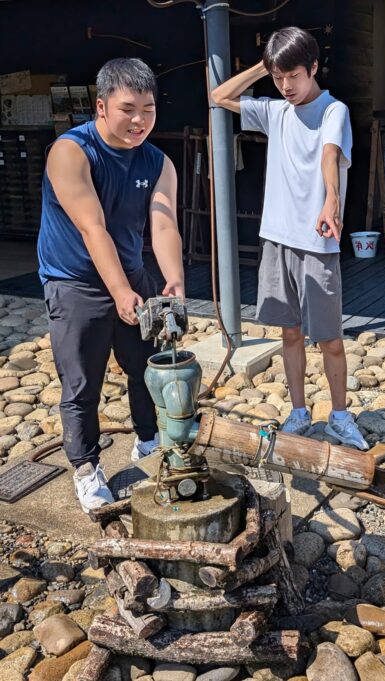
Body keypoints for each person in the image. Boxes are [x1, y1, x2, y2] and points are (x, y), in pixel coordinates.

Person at [38, 58, 184, 513]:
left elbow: (162, 225)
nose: (140, 120)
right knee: (82, 382)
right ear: (100, 106)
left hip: (129, 271)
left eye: (149, 108)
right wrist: (120, 292)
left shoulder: (158, 162)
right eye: (127, 109)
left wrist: (173, 280)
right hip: (75, 280)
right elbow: (92, 228)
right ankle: (86, 467)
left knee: (148, 367)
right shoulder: (71, 151)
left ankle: (147, 439)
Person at [211, 27, 368, 450]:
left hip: (318, 242)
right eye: (279, 77)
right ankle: (298, 412)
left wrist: (331, 201)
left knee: (330, 337)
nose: (286, 86)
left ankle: (339, 416)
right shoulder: (275, 110)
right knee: (290, 333)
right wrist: (264, 66)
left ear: (314, 67)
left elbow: (330, 155)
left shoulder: (334, 110)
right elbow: (218, 96)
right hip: (277, 238)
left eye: (293, 75)